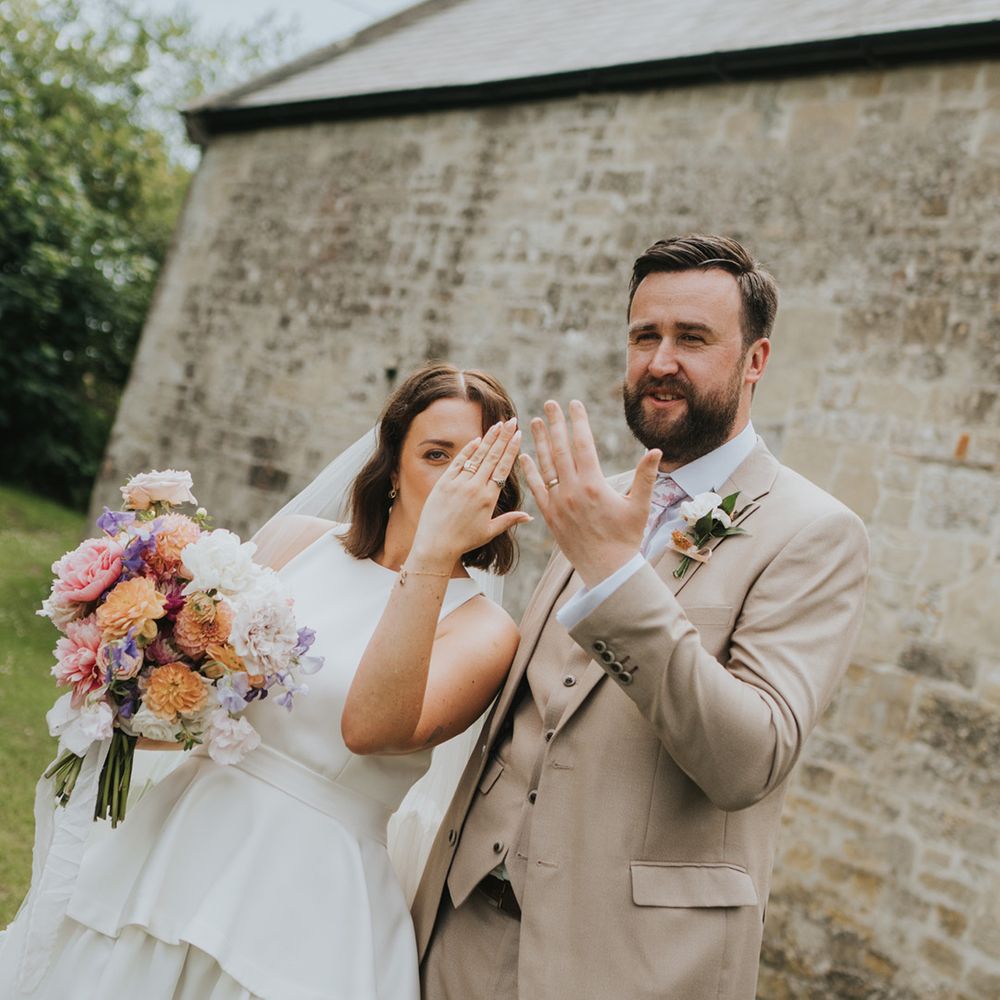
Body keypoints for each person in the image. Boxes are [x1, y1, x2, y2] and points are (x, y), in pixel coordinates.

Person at [416, 235, 871, 1000]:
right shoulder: (599, 495)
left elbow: (748, 759)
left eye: (692, 338)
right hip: (461, 928)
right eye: (644, 336)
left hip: (632, 965)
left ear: (755, 360)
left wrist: (619, 576)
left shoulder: (815, 533)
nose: (661, 361)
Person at [0, 363, 529, 1000]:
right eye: (434, 454)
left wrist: (434, 558)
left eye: (472, 464)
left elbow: (368, 730)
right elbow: (206, 706)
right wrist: (138, 686)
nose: (450, 481)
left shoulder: (485, 629)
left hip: (307, 891)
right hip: (181, 841)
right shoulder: (298, 543)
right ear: (393, 466)